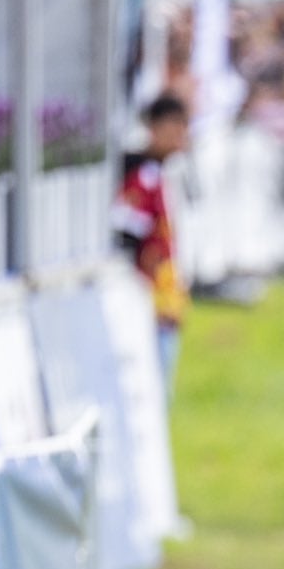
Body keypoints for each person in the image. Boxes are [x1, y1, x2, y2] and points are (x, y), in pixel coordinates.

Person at [111, 95, 192, 400]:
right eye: (173, 129)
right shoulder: (142, 178)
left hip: (166, 296)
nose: (179, 138)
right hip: (149, 297)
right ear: (154, 129)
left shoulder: (167, 173)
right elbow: (126, 233)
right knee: (151, 390)